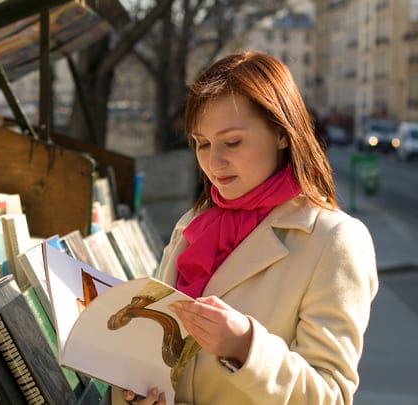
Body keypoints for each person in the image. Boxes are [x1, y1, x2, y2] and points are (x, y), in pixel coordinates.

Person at [115, 51, 378, 405]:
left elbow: (330, 394)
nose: (213, 162)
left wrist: (245, 346)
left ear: (282, 133)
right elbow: (161, 361)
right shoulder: (193, 224)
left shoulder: (334, 240)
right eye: (202, 144)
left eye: (232, 142)